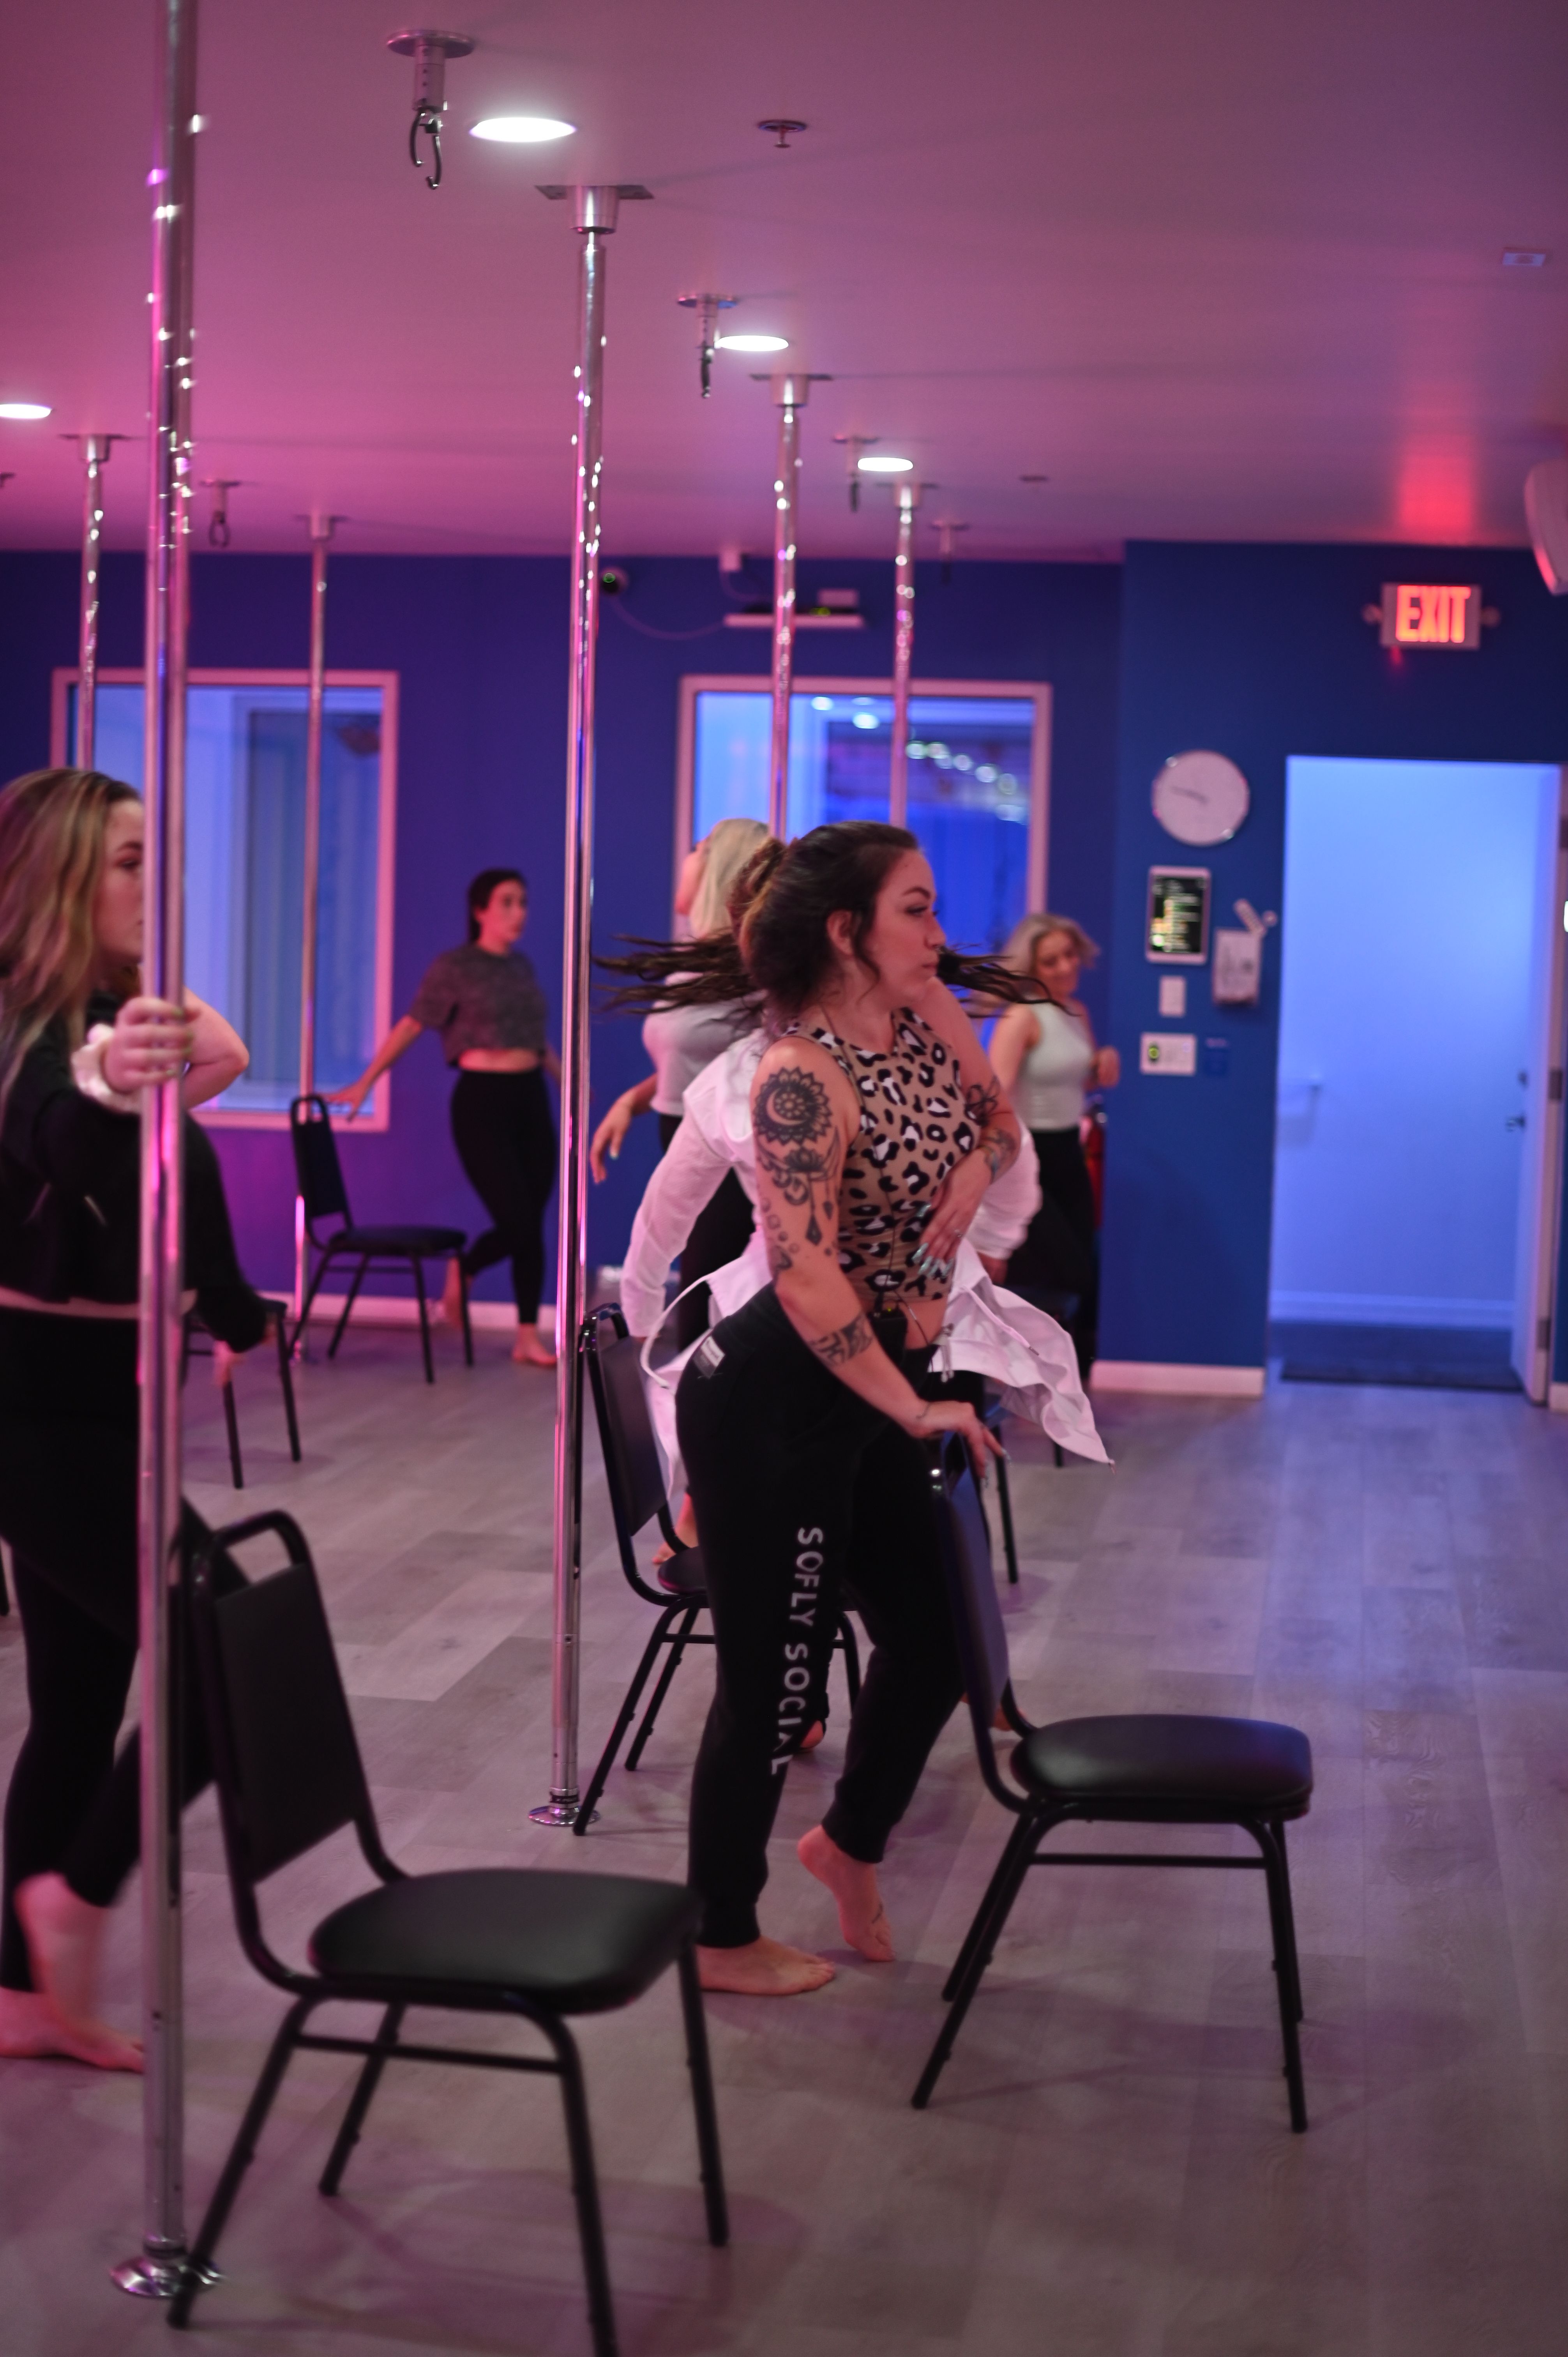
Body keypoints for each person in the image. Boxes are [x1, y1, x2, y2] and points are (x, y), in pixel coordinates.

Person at [650, 820, 1027, 1997]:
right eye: (916, 908)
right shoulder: (796, 1077)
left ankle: (848, 1843)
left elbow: (1000, 1126)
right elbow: (805, 1275)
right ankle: (718, 1933)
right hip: (771, 1406)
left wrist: (967, 1180)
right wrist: (914, 1411)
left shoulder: (930, 1019)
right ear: (846, 930)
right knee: (771, 1677)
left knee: (938, 1640)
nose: (939, 930)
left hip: (866, 1390)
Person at [0, 768, 269, 2070]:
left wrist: (123, 1015)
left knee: (75, 1700)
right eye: (127, 861)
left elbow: (226, 1053)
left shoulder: (97, 1018)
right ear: (56, 877)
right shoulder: (22, 1038)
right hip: (36, 1408)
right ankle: (76, 1889)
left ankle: (16, 1993)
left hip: (108, 1400)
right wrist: (106, 1072)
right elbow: (60, 1128)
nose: (150, 883)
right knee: (232, 1654)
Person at [331, 868, 560, 1368]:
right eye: (507, 902)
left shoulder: (521, 967)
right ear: (480, 910)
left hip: (531, 1098)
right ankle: (468, 1270)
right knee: (517, 1218)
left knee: (532, 1224)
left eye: (523, 902)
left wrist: (568, 1084)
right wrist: (368, 1080)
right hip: (481, 1103)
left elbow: (534, 1041)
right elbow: (414, 1023)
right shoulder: (455, 966)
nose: (518, 913)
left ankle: (526, 1336)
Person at [591, 816, 769, 1344]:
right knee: (696, 1317)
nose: (687, 857)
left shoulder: (750, 968)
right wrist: (633, 1099)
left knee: (702, 1318)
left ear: (721, 868)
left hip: (730, 1164)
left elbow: (754, 1066)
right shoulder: (693, 962)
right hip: (683, 1146)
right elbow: (696, 1063)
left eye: (698, 848)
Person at [988, 912, 1119, 1379]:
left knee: (1085, 1268)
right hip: (1030, 1158)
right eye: (1051, 961)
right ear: (1032, 968)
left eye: (1069, 956)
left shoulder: (1076, 1012)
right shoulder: (1021, 1017)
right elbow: (995, 1095)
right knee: (1052, 1271)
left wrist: (1099, 1062)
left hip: (1070, 1152)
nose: (1065, 967)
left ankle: (1065, 1379)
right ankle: (1023, 1375)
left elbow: (1067, 1084)